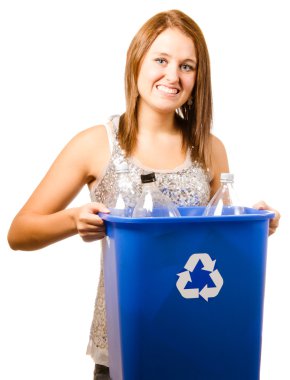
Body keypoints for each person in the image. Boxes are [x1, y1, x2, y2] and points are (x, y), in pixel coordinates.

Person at [7, 9, 280, 380]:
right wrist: (74, 220)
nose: (173, 76)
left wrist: (252, 226)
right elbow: (19, 232)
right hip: (127, 341)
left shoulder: (210, 148)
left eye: (187, 66)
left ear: (199, 77)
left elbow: (218, 243)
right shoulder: (96, 144)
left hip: (203, 339)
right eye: (162, 60)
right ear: (137, 60)